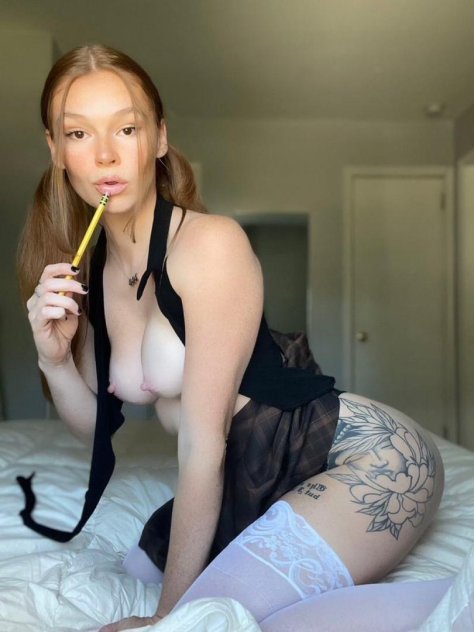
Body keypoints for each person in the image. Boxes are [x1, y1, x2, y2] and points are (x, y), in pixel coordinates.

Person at [17, 45, 447, 631]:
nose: (106, 154)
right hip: (251, 479)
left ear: (160, 138)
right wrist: (55, 360)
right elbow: (95, 429)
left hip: (365, 458)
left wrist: (169, 616)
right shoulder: (86, 274)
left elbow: (204, 444)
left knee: (194, 623)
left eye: (127, 128)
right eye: (78, 133)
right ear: (55, 149)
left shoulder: (208, 245)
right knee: (143, 567)